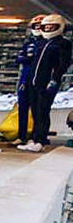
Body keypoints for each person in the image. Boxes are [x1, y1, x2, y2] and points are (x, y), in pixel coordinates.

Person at [20, 14, 71, 152]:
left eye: (51, 27)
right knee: (35, 111)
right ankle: (34, 138)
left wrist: (55, 79)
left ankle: (40, 140)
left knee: (43, 110)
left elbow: (63, 63)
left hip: (47, 81)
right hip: (33, 80)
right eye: (46, 27)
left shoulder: (63, 44)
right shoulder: (40, 42)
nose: (48, 29)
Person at [15, 15, 45, 147]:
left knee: (37, 109)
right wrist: (28, 58)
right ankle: (21, 135)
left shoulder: (47, 43)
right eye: (35, 26)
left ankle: (36, 136)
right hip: (25, 78)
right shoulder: (29, 42)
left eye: (40, 26)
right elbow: (20, 58)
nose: (38, 28)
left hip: (39, 79)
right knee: (22, 107)